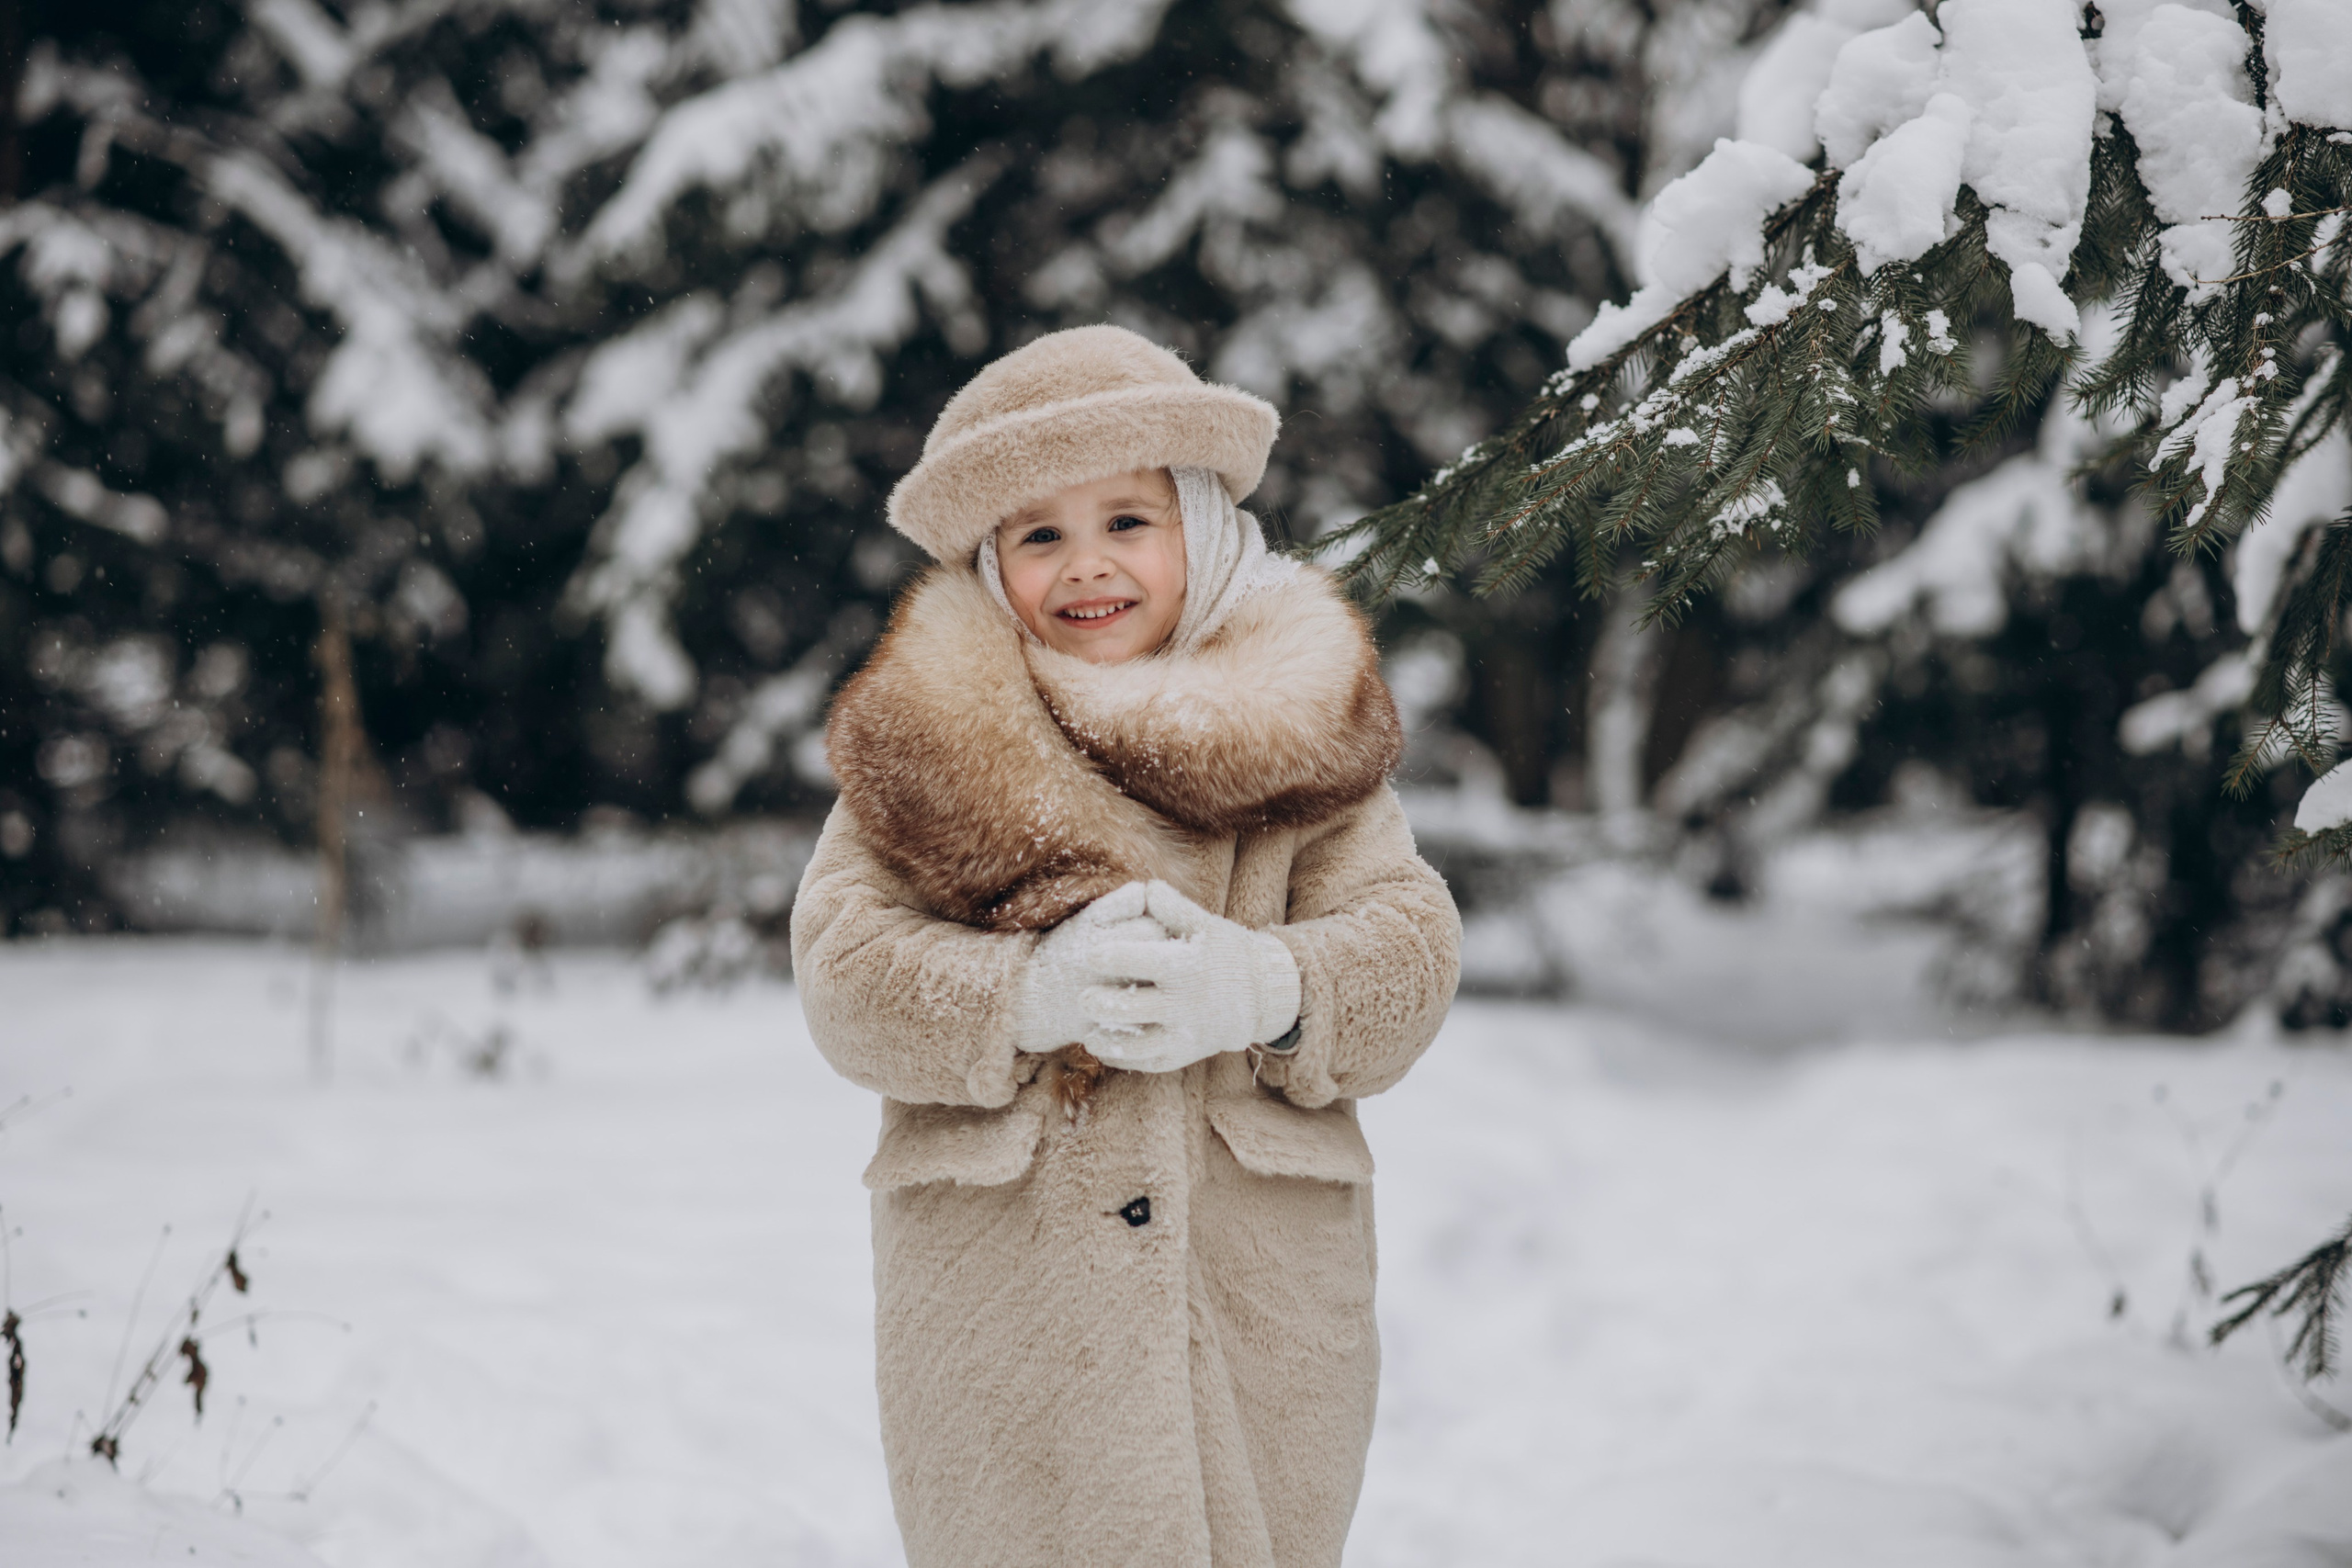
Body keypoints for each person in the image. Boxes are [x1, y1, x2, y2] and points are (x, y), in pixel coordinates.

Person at [791, 322, 1463, 1568]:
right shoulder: (928, 746)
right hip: (1008, 1312)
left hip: (1252, 1296)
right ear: (993, 564)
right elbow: (845, 973)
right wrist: (1021, 994)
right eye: (1040, 533)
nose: (1086, 565)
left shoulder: (1301, 735)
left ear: (1200, 530)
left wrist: (1270, 987)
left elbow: (1412, 947)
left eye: (1127, 522)